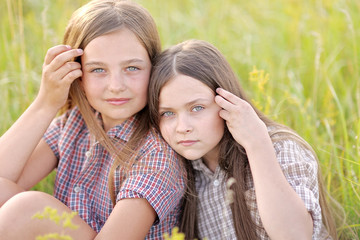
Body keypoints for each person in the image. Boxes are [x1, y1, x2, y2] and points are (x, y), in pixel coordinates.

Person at [0, 0, 185, 239]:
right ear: (77, 74)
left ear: (154, 67)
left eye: (132, 68)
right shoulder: (77, 122)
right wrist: (46, 103)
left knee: (29, 208)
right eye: (98, 70)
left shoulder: (156, 156)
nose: (116, 86)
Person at [148, 39, 337, 240]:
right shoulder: (184, 170)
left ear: (228, 103)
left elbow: (296, 236)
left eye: (197, 108)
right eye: (167, 113)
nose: (182, 127)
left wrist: (257, 146)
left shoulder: (279, 147)